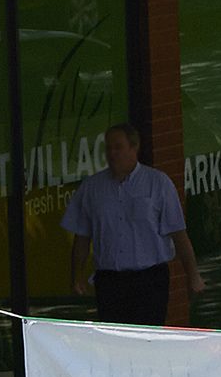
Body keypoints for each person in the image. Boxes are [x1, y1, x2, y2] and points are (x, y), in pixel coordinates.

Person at [62, 126, 196, 325]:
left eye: (118, 147)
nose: (112, 153)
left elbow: (178, 233)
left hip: (149, 279)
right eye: (108, 148)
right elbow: (82, 237)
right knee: (114, 338)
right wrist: (77, 276)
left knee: (146, 337)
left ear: (134, 147)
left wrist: (193, 275)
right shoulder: (92, 188)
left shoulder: (158, 183)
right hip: (110, 281)